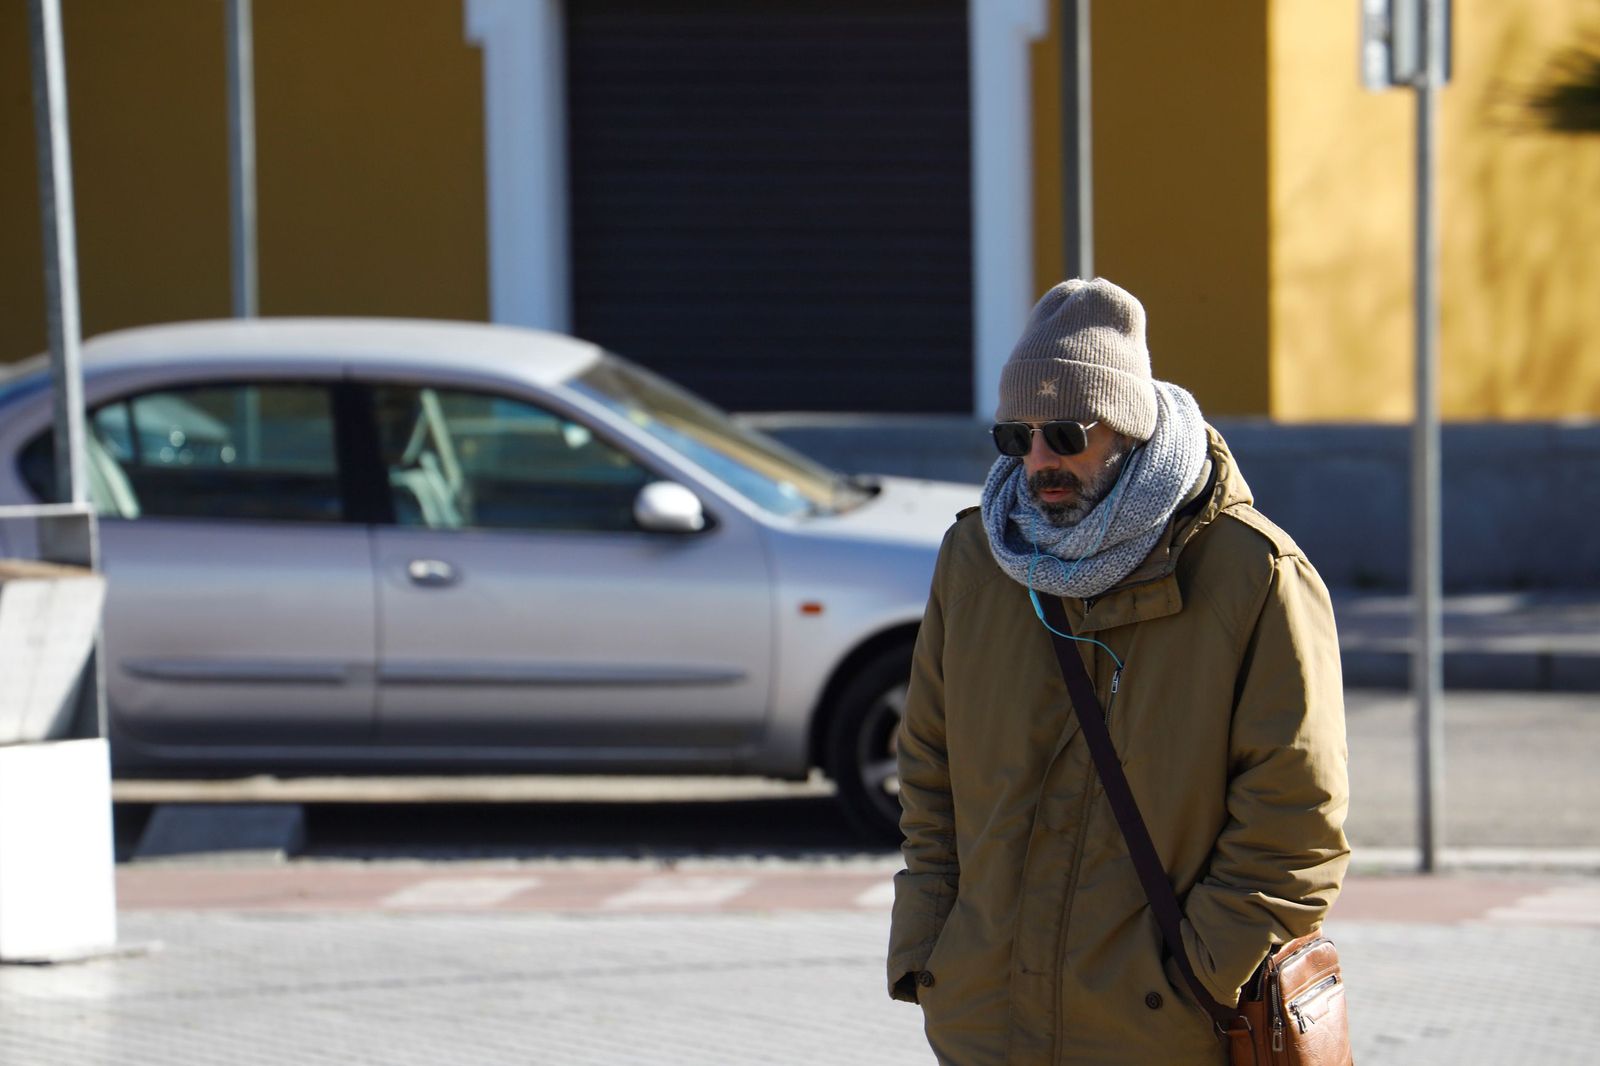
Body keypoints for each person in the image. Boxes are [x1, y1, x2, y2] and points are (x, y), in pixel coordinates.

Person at [886, 278, 1350, 1065]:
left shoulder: (1252, 573)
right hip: (986, 1022)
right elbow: (930, 770)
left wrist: (1200, 977)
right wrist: (934, 949)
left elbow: (1295, 820)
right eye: (1015, 437)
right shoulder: (976, 558)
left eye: (1065, 433)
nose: (1038, 461)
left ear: (1127, 428)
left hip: (1162, 1032)